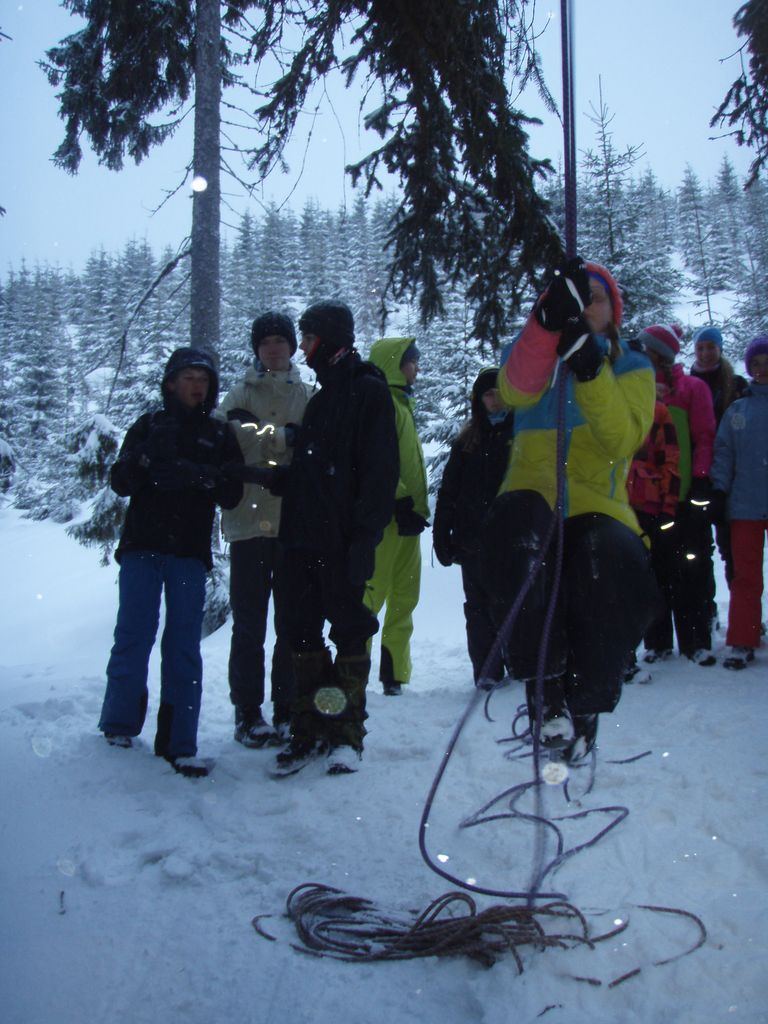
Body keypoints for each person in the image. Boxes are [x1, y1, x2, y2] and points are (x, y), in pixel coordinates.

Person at [479, 257, 660, 763]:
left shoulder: (632, 365)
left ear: (614, 311)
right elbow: (514, 389)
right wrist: (545, 325)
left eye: (597, 298)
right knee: (514, 544)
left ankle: (585, 703)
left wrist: (592, 369)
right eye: (580, 298)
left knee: (605, 564)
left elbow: (623, 438)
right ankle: (545, 689)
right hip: (532, 497)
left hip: (595, 502)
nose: (588, 307)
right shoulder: (530, 352)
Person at [249, 301, 399, 776]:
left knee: (350, 631)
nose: (305, 348)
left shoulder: (368, 392)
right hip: (301, 540)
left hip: (341, 541)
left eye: (310, 338)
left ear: (331, 339)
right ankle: (309, 728)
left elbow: (379, 474)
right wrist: (281, 480)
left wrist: (364, 538)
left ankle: (345, 735)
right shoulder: (322, 398)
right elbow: (316, 471)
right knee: (300, 632)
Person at [98, 348, 243, 778]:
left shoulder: (219, 433)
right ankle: (118, 728)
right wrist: (145, 456)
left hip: (188, 555)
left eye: (204, 378)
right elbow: (120, 483)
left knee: (183, 646)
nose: (197, 385)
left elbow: (232, 493)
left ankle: (180, 744)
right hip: (141, 549)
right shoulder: (148, 425)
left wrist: (198, 475)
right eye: (188, 377)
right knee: (133, 635)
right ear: (170, 383)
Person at [215, 312, 312, 748]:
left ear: (291, 346)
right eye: (266, 342)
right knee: (249, 626)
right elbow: (228, 440)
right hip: (248, 524)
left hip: (291, 523)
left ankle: (287, 709)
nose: (273, 348)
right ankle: (248, 714)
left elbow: (311, 444)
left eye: (280, 340)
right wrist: (285, 437)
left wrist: (257, 434)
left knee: (290, 623)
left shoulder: (307, 395)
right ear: (257, 349)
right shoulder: (239, 392)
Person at [638, 324, 718, 666]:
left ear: (660, 354)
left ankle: (696, 640)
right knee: (654, 572)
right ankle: (657, 643)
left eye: (647, 350)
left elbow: (705, 437)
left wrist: (700, 480)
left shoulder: (692, 389)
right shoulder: (637, 389)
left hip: (684, 496)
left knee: (691, 568)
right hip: (647, 498)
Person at [433, 367, 514, 688]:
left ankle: (520, 665)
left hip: (511, 538)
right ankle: (487, 673)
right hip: (472, 540)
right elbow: (449, 491)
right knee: (478, 609)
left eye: (499, 393)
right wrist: (442, 533)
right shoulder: (467, 440)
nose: (494, 400)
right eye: (488, 394)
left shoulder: (521, 433)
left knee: (511, 603)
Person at [364, 337, 429, 696]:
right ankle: (354, 669)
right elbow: (379, 459)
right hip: (388, 519)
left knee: (405, 596)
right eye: (411, 361)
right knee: (371, 596)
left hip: (408, 519)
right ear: (395, 363)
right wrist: (400, 500)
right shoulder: (383, 403)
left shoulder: (403, 403)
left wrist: (414, 508)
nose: (416, 368)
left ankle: (395, 674)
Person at [710, 335, 768, 670]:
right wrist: (720, 491)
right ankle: (743, 639)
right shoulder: (737, 411)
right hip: (745, 505)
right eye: (756, 364)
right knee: (745, 576)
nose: (761, 369)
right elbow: (724, 454)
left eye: (767, 363)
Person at [624, 398, 681, 683]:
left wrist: (668, 504)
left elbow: (670, 459)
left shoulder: (657, 411)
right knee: (620, 581)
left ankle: (659, 642)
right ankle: (626, 653)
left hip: (648, 506)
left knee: (656, 577)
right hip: (613, 504)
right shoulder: (604, 403)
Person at [689, 325, 749, 588]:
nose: (705, 353)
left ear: (720, 348)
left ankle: (740, 603)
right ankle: (706, 603)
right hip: (697, 475)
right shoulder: (687, 383)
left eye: (710, 347)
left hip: (733, 477)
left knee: (732, 546)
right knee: (699, 547)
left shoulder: (736, 385)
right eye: (700, 348)